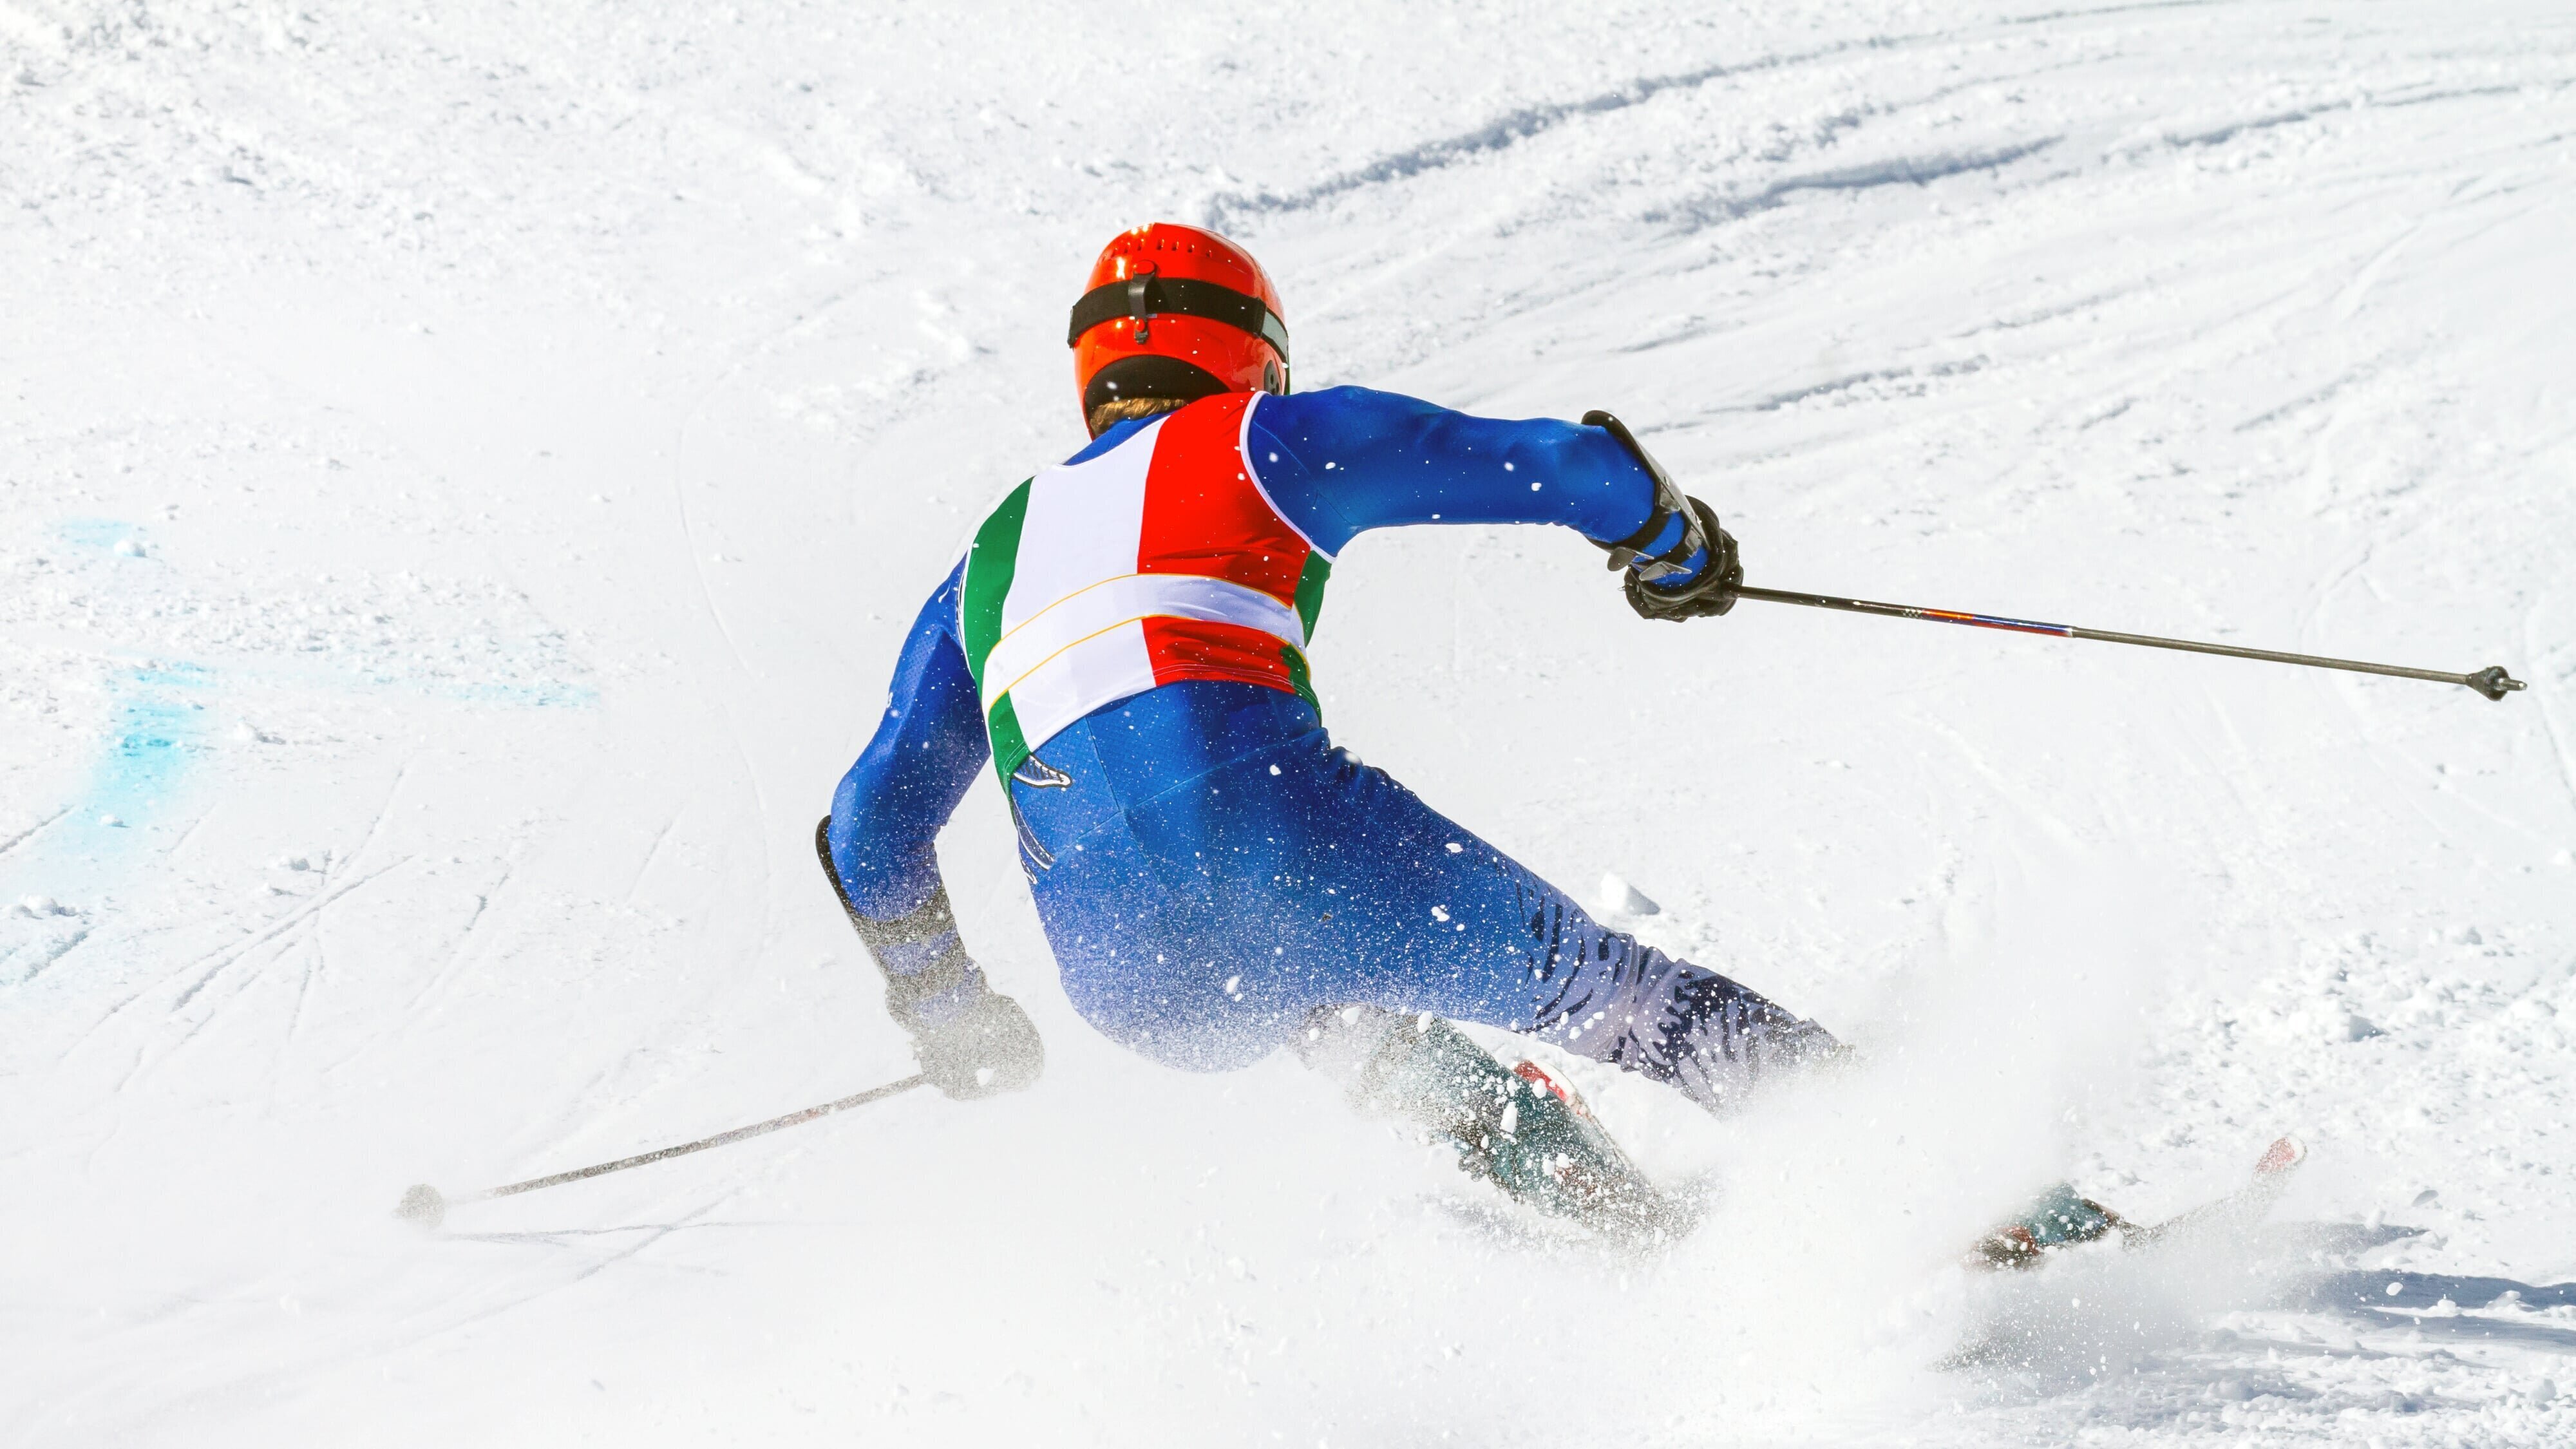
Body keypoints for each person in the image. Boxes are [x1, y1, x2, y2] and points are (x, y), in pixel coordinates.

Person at [817, 223, 1841, 1224]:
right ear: (1254, 354)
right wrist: (1675, 545)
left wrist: (950, 1009)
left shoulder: (989, 556)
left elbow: (871, 825)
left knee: (1320, 1004)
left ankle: (1604, 1215)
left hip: (1121, 969)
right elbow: (1575, 469)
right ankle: (1890, 1155)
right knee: (1611, 997)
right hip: (1284, 842)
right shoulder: (1258, 438)